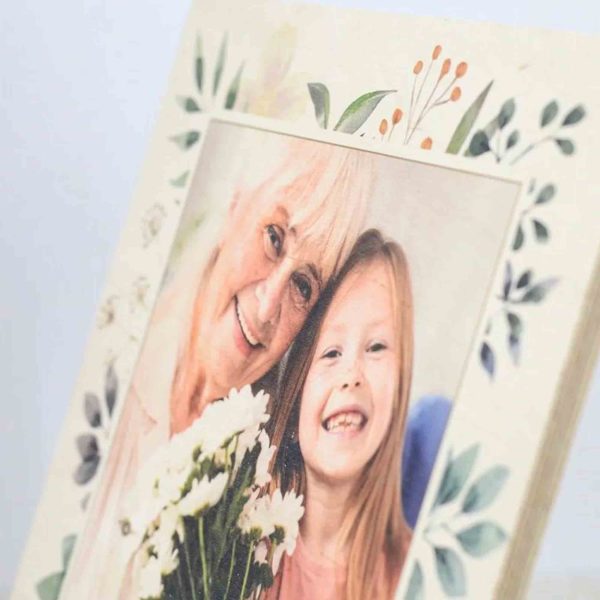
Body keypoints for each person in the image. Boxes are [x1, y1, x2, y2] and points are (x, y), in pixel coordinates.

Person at [59, 137, 372, 600]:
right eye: (274, 238)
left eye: (303, 286)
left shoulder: (262, 510)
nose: (267, 307)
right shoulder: (106, 359)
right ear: (236, 204)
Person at [266, 229, 414, 600]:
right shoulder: (234, 539)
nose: (351, 375)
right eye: (331, 353)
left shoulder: (414, 575)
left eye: (376, 347)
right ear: (296, 396)